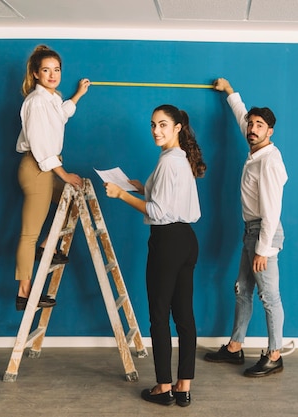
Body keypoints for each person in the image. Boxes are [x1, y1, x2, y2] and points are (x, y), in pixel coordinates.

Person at [104, 104, 205, 407]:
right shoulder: (180, 158)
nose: (156, 131)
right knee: (184, 316)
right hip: (187, 240)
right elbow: (168, 199)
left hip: (167, 242)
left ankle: (163, 387)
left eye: (163, 125)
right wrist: (140, 187)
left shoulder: (168, 162)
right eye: (152, 125)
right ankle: (183, 386)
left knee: (160, 316)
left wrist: (122, 195)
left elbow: (159, 212)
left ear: (177, 128)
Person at [205, 78, 288, 377]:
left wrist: (263, 250)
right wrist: (230, 92)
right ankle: (235, 348)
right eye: (251, 124)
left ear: (270, 131)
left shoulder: (269, 161)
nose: (252, 129)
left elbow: (272, 211)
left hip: (263, 234)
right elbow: (242, 116)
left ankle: (274, 355)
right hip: (250, 233)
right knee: (242, 291)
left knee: (269, 297)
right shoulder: (255, 149)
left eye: (259, 125)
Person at [14, 45, 90, 311]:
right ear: (35, 74)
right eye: (45, 70)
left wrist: (78, 95)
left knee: (71, 201)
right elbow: (41, 147)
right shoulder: (35, 102)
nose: (52, 74)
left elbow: (61, 116)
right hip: (37, 168)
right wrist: (64, 174)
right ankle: (25, 294)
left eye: (56, 70)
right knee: (28, 234)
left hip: (46, 168)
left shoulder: (52, 99)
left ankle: (47, 246)